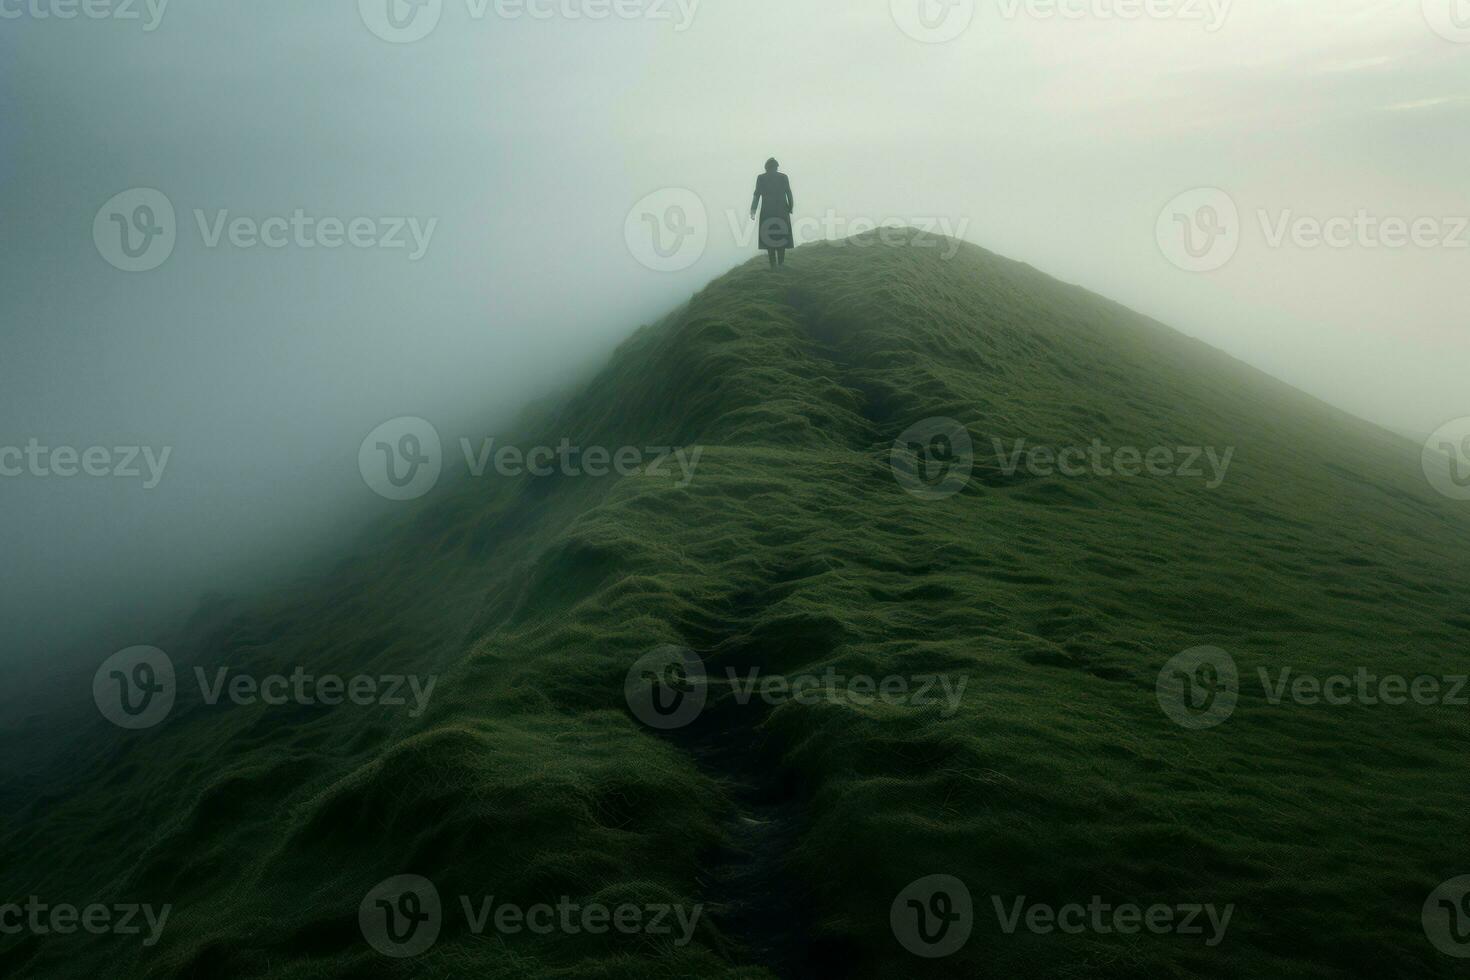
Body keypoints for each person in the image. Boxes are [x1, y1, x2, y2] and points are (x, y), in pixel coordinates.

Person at [750, 158, 794, 270]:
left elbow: (756, 195)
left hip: (767, 212)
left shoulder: (761, 178)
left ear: (766, 167)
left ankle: (773, 265)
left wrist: (753, 210)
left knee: (769, 238)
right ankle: (781, 264)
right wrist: (790, 207)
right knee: (781, 237)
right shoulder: (783, 177)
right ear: (776, 166)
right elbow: (788, 193)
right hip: (782, 211)